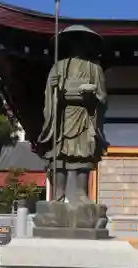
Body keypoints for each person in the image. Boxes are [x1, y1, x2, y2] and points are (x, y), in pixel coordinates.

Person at [37, 27, 108, 203]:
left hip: (84, 115)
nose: (79, 46)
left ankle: (81, 194)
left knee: (83, 154)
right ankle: (58, 194)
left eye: (82, 41)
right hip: (61, 116)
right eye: (75, 41)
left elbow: (103, 98)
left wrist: (90, 98)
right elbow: (48, 96)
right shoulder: (58, 66)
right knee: (58, 155)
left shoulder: (94, 69)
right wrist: (53, 91)